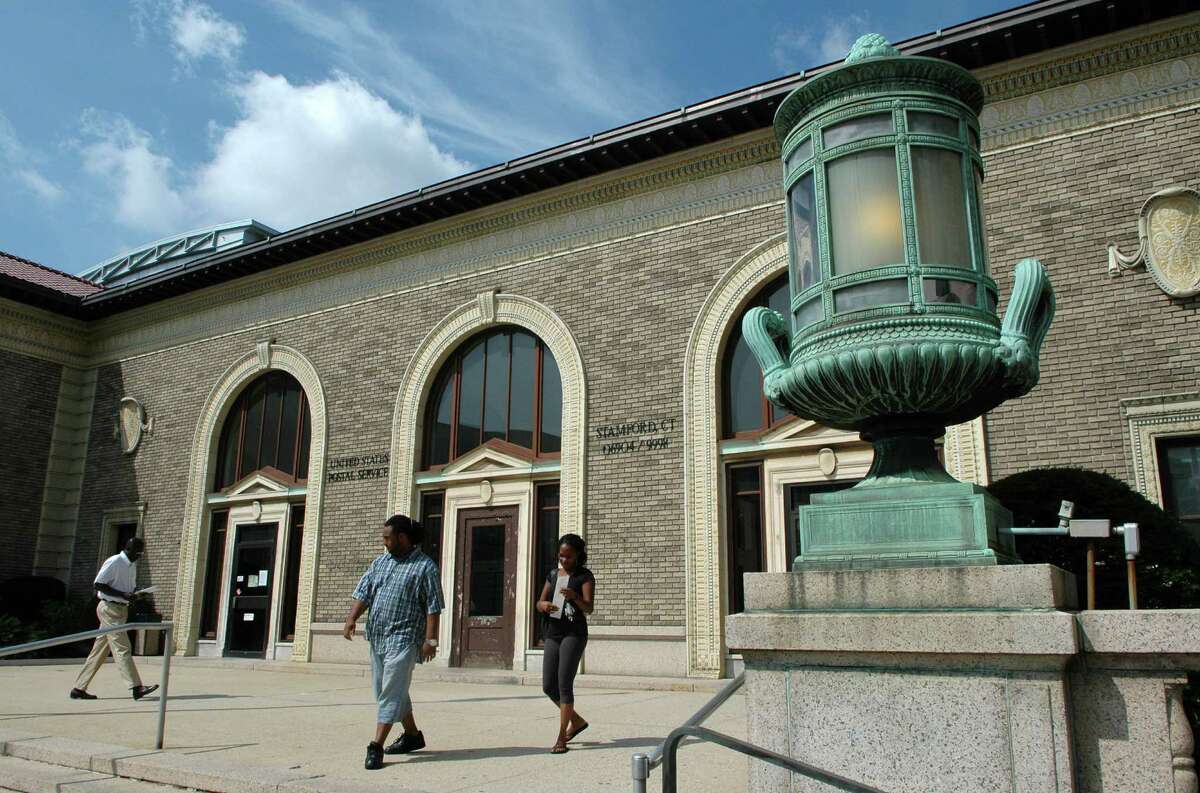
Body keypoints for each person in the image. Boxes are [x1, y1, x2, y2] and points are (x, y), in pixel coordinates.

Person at [344, 514, 444, 770]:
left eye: (387, 538)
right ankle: (412, 735)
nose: (384, 542)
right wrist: (352, 618)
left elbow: (433, 606)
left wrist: (431, 640)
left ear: (402, 537)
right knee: (384, 691)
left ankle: (376, 746)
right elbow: (365, 591)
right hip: (378, 636)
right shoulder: (381, 562)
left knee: (389, 691)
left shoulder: (425, 567)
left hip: (405, 637)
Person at [69, 537, 159, 701]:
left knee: (99, 651)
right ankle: (136, 687)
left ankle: (78, 688)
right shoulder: (115, 561)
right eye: (138, 552)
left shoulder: (132, 565)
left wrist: (135, 594)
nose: (140, 555)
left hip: (121, 609)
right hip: (109, 609)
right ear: (129, 549)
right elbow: (98, 584)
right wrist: (122, 595)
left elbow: (127, 588)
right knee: (122, 647)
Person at [535, 533, 595, 754]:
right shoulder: (553, 574)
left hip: (574, 634)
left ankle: (561, 736)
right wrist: (544, 606)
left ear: (578, 556)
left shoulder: (585, 576)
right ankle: (577, 721)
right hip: (553, 633)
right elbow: (539, 601)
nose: (563, 560)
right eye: (561, 556)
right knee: (548, 686)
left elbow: (589, 608)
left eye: (568, 557)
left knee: (564, 684)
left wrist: (574, 597)